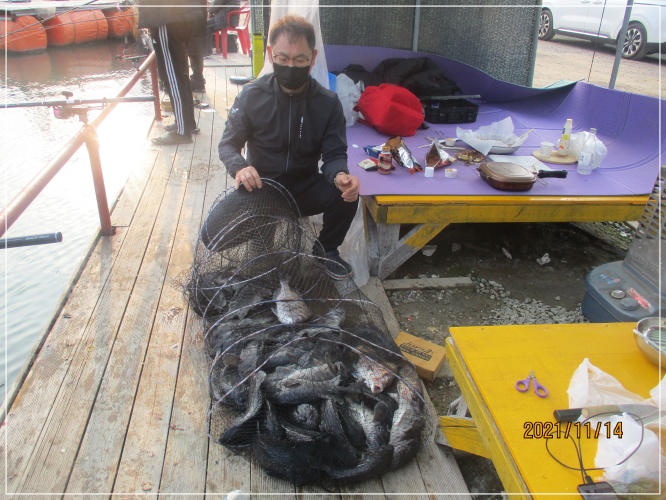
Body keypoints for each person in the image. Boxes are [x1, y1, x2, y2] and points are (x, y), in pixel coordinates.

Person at [217, 15, 360, 278]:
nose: (290, 66)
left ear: (313, 58)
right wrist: (240, 168)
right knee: (213, 236)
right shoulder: (251, 96)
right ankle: (262, 233)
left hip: (303, 187)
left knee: (347, 194)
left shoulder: (328, 103)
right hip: (262, 187)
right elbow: (228, 144)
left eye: (300, 59)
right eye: (282, 59)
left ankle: (326, 249)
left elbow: (335, 154)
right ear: (270, 54)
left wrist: (340, 175)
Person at [138, 0, 203, 145]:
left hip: (165, 18)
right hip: (184, 14)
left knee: (171, 74)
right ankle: (187, 123)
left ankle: (182, 131)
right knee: (180, 71)